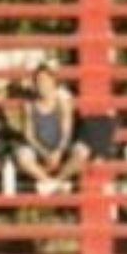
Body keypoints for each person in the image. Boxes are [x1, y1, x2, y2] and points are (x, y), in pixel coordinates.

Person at [13, 64, 88, 194]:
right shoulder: (29, 105)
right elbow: (29, 135)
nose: (42, 84)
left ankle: (55, 182)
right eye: (38, 81)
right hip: (39, 149)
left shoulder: (62, 102)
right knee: (22, 156)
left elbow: (66, 132)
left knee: (82, 152)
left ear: (53, 81)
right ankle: (51, 183)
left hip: (61, 147)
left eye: (45, 80)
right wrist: (45, 153)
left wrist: (58, 152)